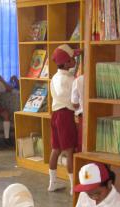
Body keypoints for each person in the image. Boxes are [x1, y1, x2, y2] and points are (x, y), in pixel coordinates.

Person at [48, 45, 80, 192]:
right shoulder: (70, 79)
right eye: (73, 59)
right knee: (69, 151)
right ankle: (74, 186)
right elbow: (72, 100)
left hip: (55, 114)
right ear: (66, 63)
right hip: (65, 115)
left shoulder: (55, 77)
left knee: (56, 149)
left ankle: (52, 182)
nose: (75, 60)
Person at [71, 72, 84, 152]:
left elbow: (74, 103)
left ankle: (82, 164)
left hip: (82, 116)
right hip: (100, 115)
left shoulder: (79, 80)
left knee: (81, 143)